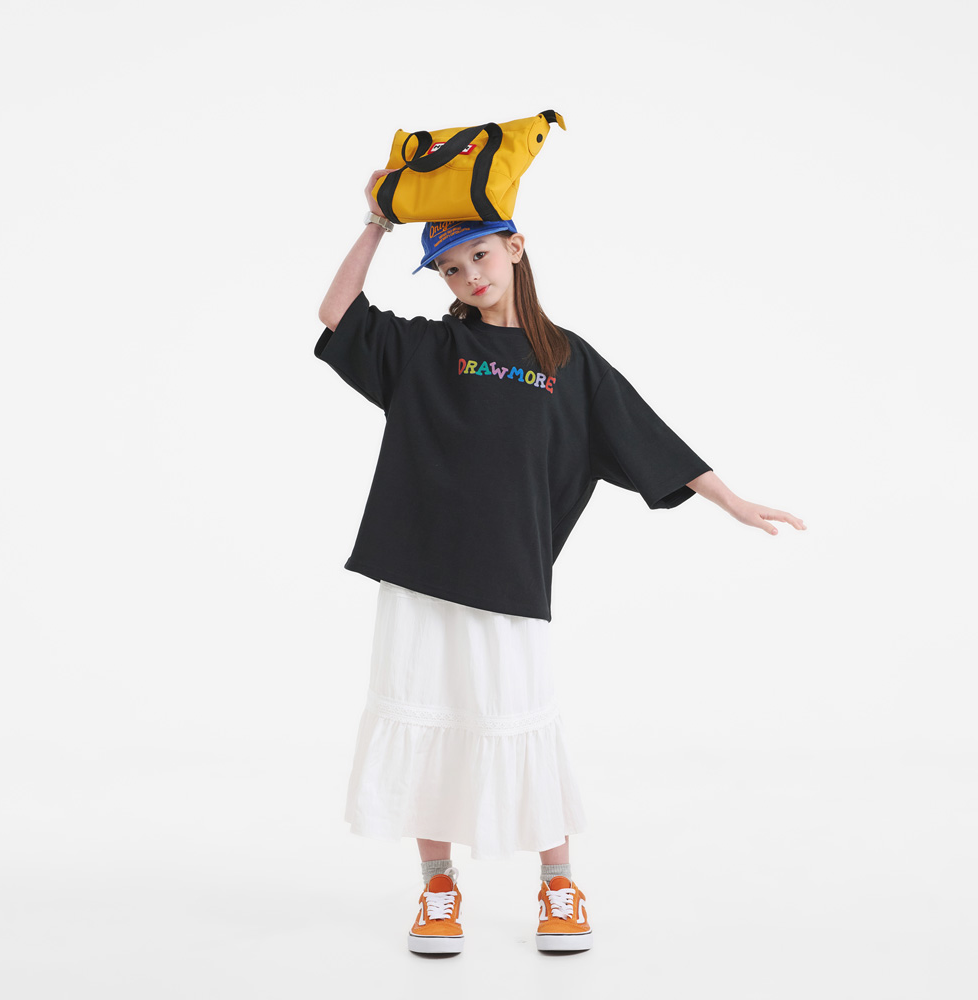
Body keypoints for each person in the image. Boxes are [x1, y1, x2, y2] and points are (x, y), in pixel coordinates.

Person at [316, 169, 806, 956]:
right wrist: (376, 223)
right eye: (450, 269)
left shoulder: (568, 361)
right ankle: (437, 886)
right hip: (419, 572)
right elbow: (337, 314)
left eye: (479, 256)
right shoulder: (427, 349)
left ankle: (558, 883)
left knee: (520, 723)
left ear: (515, 247)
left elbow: (646, 435)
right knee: (428, 719)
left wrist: (732, 500)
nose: (469, 277)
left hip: (509, 580)